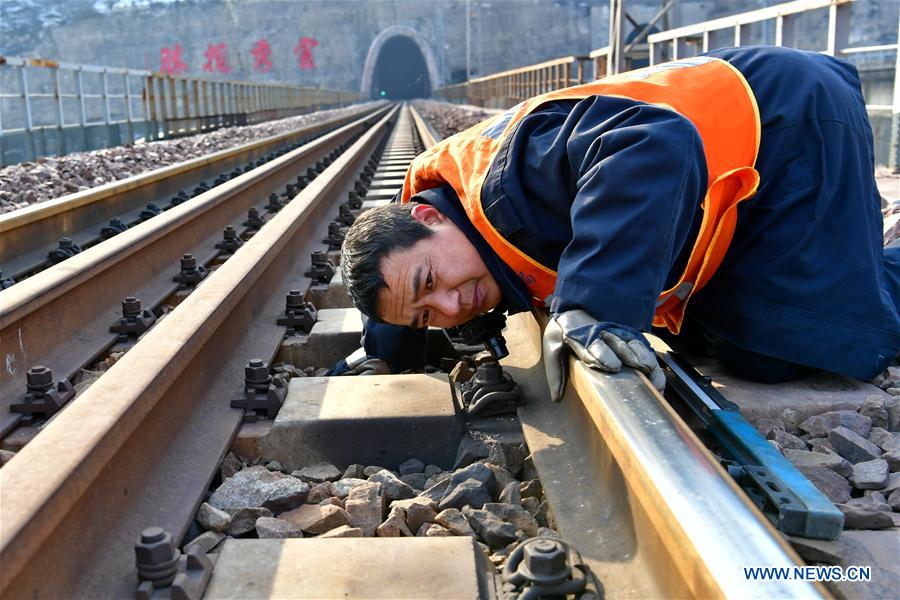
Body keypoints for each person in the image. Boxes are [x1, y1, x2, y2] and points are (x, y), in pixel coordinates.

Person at [338, 45, 900, 399]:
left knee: (789, 345)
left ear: (429, 216)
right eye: (427, 318)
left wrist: (596, 308)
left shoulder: (511, 186)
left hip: (787, 124)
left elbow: (652, 142)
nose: (452, 309)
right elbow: (398, 277)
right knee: (716, 333)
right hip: (736, 157)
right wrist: (388, 348)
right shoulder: (437, 227)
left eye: (431, 286)